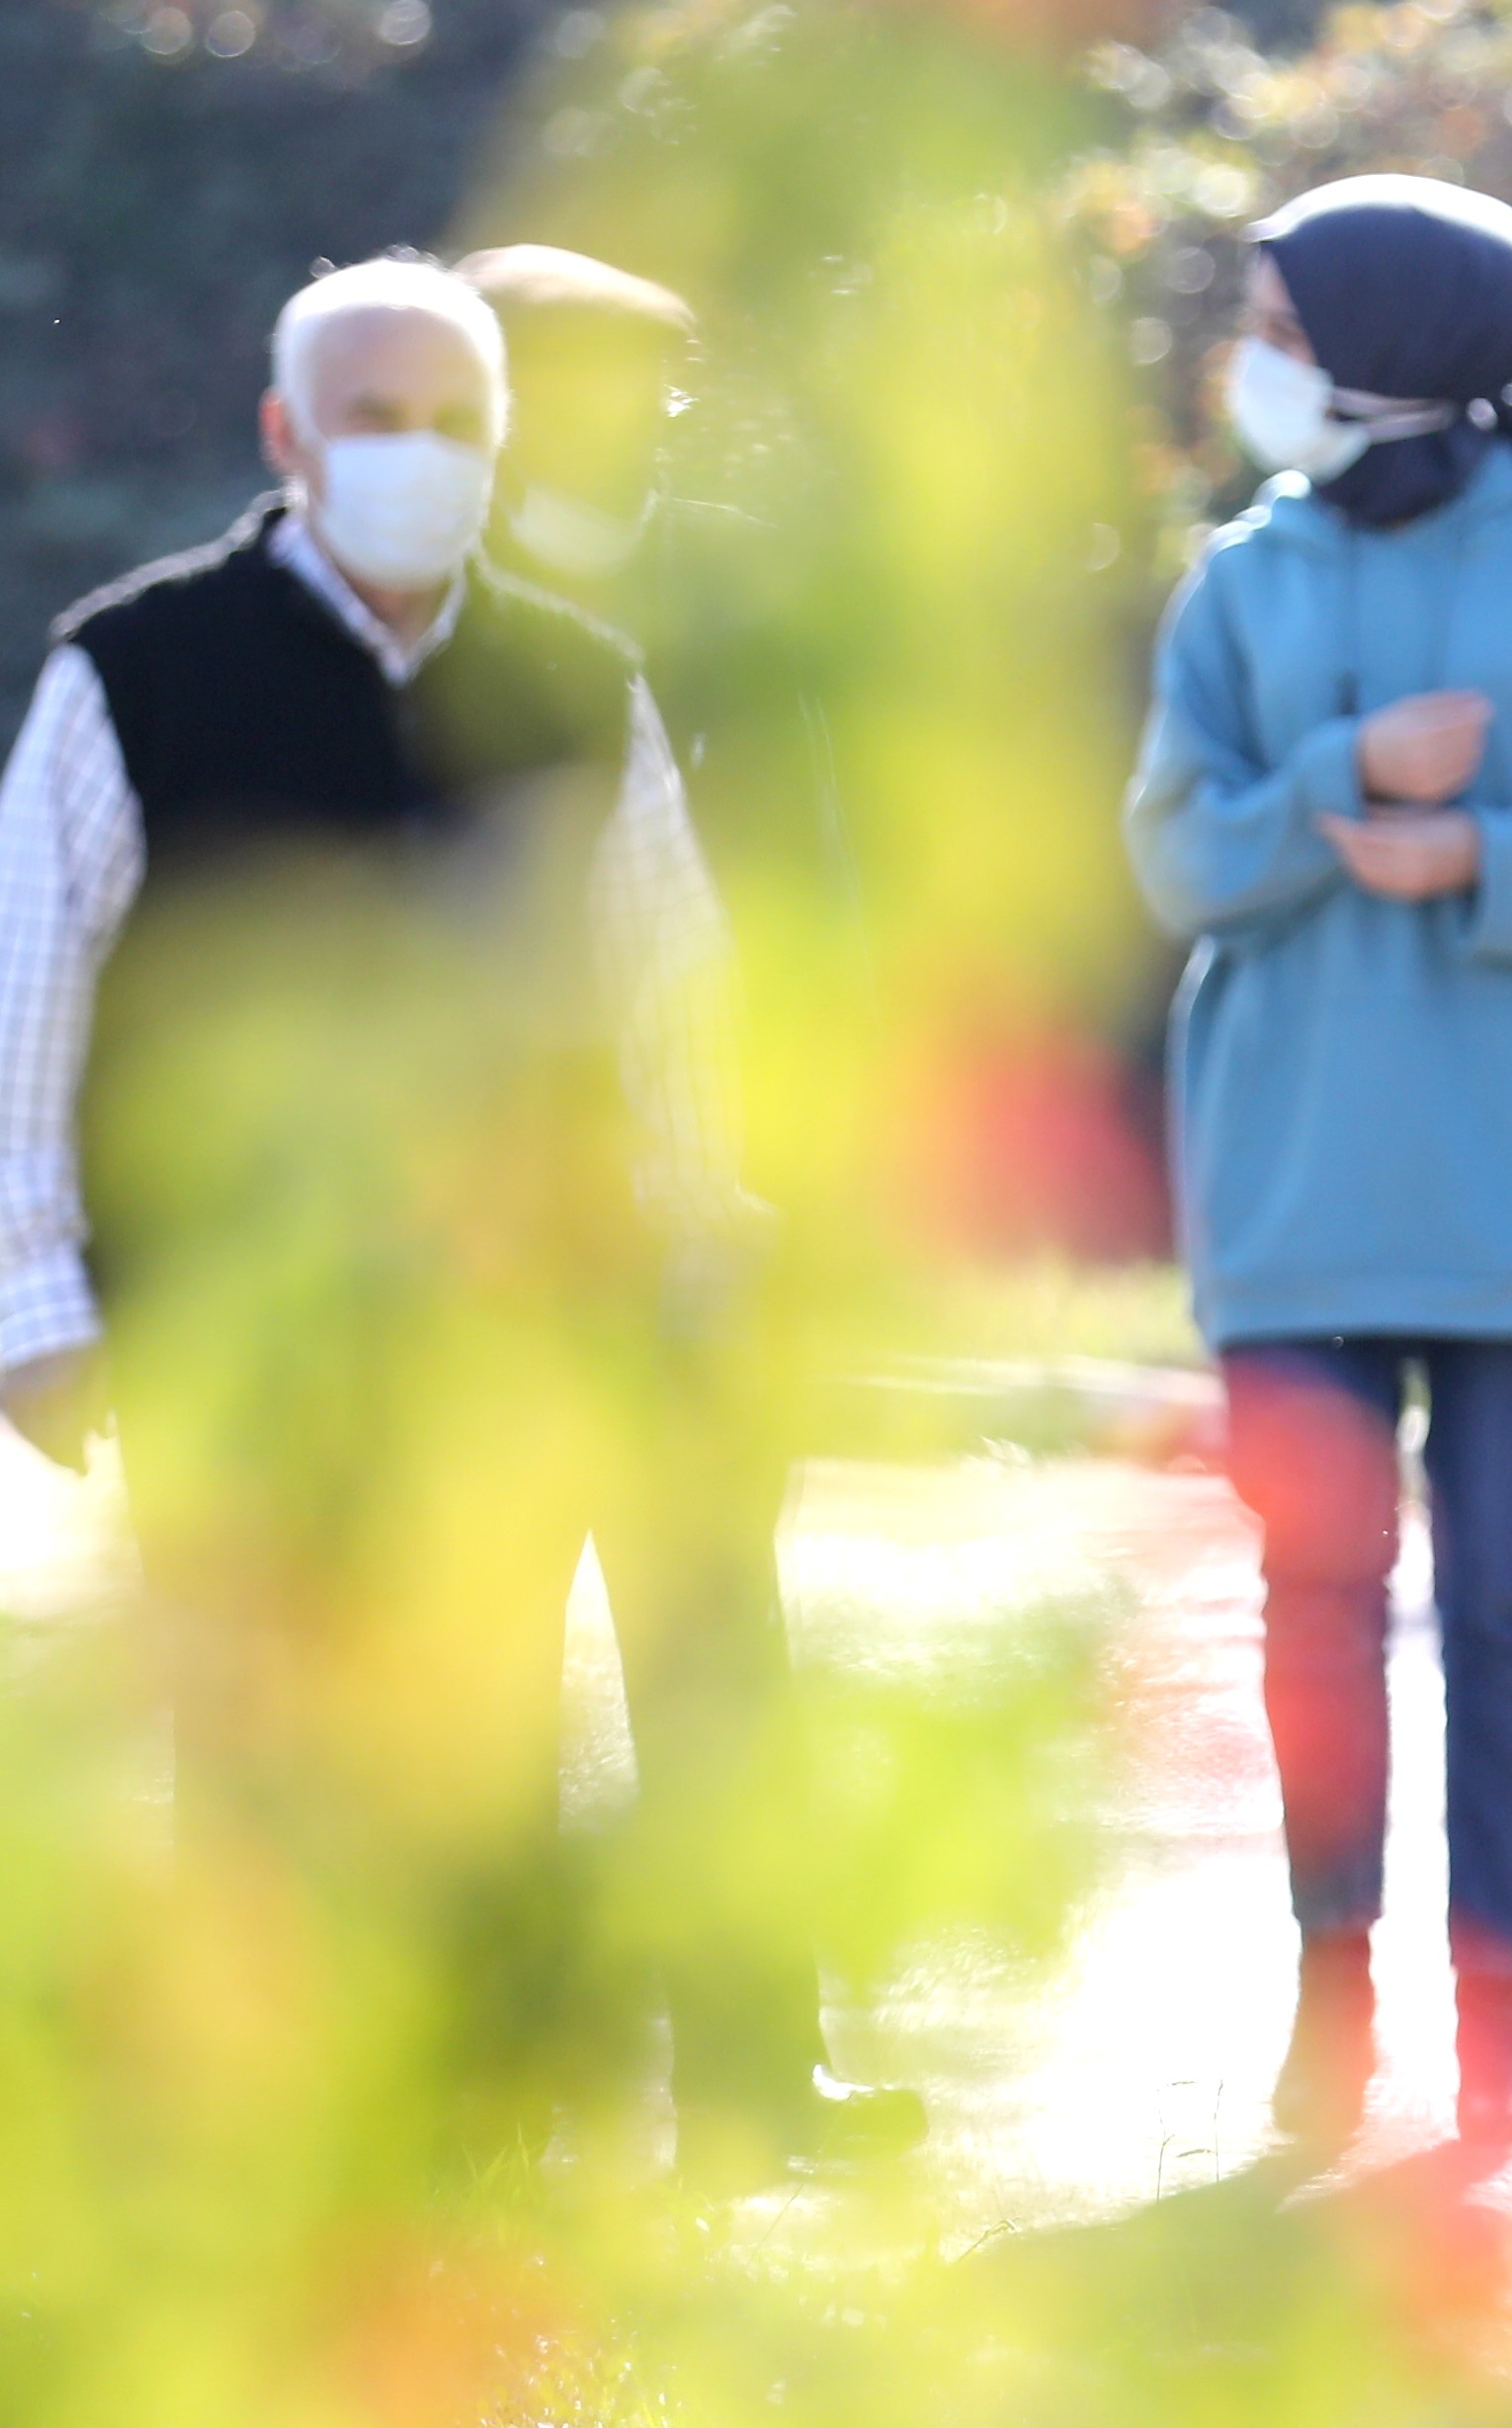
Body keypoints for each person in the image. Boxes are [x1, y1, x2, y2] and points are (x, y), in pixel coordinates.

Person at [0, 257, 740, 2110]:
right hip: (219, 1325)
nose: (420, 457)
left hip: (517, 1329)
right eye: (375, 421)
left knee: (475, 1746)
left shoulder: (579, 682)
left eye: (458, 425)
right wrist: (35, 1303)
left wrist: (701, 1267)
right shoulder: (135, 670)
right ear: (288, 436)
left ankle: (463, 2185)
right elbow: (30, 994)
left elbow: (678, 1009)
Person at [1124, 175, 1512, 2166]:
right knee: (1313, 1599)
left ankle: (1501, 2013)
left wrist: (1490, 853)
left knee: (1502, 1607)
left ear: (1389, 347)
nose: (1261, 361)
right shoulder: (1243, 577)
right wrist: (1337, 789)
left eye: (1285, 326)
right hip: (1298, 1186)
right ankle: (1332, 2005)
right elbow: (1172, 859)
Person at [458, 239, 921, 2175]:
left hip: (702, 1188)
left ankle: (756, 2073)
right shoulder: (391, 596)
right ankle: (494, 2077)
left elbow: (813, 877)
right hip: (471, 1202)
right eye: (591, 386)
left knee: (718, 1639)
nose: (635, 427)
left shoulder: (725, 590)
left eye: (653, 391)